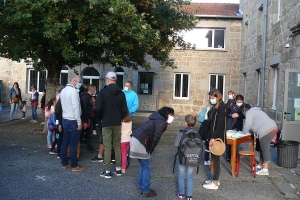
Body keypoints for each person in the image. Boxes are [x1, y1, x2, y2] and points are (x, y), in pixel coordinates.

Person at [130, 106, 174, 197]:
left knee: (143, 166)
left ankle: (141, 189)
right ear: (168, 114)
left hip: (136, 140)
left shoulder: (156, 118)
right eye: (172, 115)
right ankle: (146, 191)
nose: (172, 117)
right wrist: (150, 150)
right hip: (141, 142)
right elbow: (155, 138)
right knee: (146, 167)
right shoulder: (161, 122)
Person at [96, 71, 128, 178]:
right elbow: (124, 109)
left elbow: (98, 108)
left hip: (106, 122)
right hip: (117, 122)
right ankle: (118, 169)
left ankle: (107, 170)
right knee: (117, 145)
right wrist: (120, 117)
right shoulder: (121, 93)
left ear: (108, 80)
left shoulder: (103, 92)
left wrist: (100, 118)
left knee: (108, 146)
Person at [242, 104, 278, 176]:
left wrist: (243, 133)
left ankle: (265, 169)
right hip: (273, 127)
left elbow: (248, 125)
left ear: (244, 111)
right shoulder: (257, 111)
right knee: (262, 147)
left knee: (265, 148)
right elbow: (255, 125)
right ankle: (261, 164)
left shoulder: (249, 112)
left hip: (266, 130)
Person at [60, 75, 85, 172]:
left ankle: (64, 162)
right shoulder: (73, 91)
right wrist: (79, 122)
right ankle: (74, 165)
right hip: (72, 120)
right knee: (74, 143)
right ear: (74, 82)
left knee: (65, 142)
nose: (80, 84)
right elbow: (76, 107)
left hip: (65, 119)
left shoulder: (63, 90)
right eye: (79, 82)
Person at [202, 89, 226, 190]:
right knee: (214, 159)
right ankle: (215, 179)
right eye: (210, 98)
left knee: (216, 160)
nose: (211, 99)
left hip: (217, 137)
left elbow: (219, 124)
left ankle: (215, 182)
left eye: (213, 98)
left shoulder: (221, 108)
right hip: (213, 135)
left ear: (218, 97)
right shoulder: (216, 107)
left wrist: (213, 137)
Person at [174, 115, 198, 200]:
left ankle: (181, 194)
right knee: (190, 176)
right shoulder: (197, 133)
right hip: (193, 157)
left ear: (185, 123)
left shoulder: (182, 133)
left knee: (181, 175)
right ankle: (189, 195)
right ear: (195, 124)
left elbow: (176, 144)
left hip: (183, 157)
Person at [225, 94, 245, 161]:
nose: (239, 103)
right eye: (238, 102)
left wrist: (238, 115)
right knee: (229, 140)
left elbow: (244, 115)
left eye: (240, 102)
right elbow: (225, 112)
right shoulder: (230, 103)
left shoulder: (243, 106)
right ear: (235, 100)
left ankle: (235, 156)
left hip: (238, 125)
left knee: (237, 141)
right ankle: (228, 156)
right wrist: (231, 115)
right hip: (230, 124)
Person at [80, 85, 96, 152]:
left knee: (87, 133)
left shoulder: (88, 97)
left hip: (88, 118)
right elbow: (84, 110)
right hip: (86, 118)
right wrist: (85, 121)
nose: (95, 91)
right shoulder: (85, 97)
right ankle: (88, 147)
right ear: (92, 90)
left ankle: (89, 147)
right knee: (84, 133)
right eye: (94, 90)